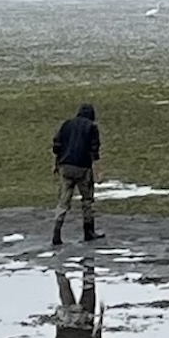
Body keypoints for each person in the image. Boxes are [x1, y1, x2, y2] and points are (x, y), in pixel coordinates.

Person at [52, 103, 104, 243]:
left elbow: (57, 146)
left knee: (63, 201)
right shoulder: (91, 127)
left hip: (65, 167)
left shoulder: (66, 124)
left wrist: (56, 164)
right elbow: (94, 151)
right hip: (82, 168)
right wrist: (98, 171)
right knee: (87, 200)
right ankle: (89, 232)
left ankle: (57, 232)